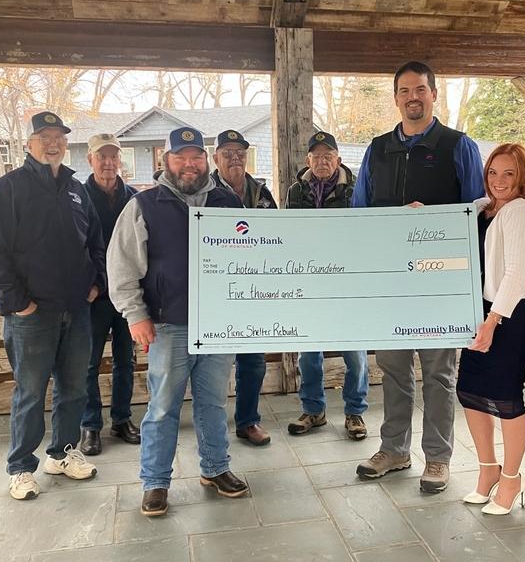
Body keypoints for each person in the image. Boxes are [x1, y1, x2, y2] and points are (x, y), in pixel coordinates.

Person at [351, 61, 485, 493]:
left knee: (439, 373)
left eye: (421, 89)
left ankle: (439, 458)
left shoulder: (458, 146)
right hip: (390, 284)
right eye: (405, 90)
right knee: (392, 370)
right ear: (395, 98)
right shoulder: (377, 149)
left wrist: (436, 222)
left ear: (433, 95)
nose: (414, 96)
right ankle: (393, 449)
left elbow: (477, 212)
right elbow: (359, 216)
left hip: (439, 283)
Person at [109, 126, 249, 517]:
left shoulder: (227, 202)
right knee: (163, 407)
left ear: (206, 161)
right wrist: (136, 316)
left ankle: (216, 468)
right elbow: (121, 267)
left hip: (219, 326)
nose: (190, 164)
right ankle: (155, 481)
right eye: (180, 157)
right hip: (168, 324)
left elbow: (247, 260)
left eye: (196, 157)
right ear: (165, 161)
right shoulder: (144, 205)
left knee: (213, 403)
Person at [0, 111, 103, 501]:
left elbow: (95, 241)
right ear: (29, 144)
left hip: (76, 311)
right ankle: (20, 467)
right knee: (30, 393)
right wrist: (20, 305)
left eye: (60, 137)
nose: (54, 143)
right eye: (45, 137)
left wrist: (96, 282)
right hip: (32, 316)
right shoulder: (8, 189)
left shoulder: (75, 189)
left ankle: (62, 453)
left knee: (74, 388)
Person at [459, 144, 525, 515]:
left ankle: (511, 479)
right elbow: (459, 214)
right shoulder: (486, 208)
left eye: (509, 173)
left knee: (506, 398)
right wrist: (423, 216)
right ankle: (487, 470)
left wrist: (493, 321)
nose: (499, 180)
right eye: (493, 172)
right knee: (470, 391)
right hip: (484, 310)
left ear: (522, 176)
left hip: (513, 311)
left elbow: (517, 272)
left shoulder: (520, 211)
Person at [285, 131, 368, 440]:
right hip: (310, 284)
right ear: (308, 160)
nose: (322, 161)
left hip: (349, 284)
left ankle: (355, 413)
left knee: (355, 355)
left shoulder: (358, 189)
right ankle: (313, 410)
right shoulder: (296, 191)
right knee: (309, 354)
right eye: (316, 156)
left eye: (328, 156)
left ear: (338, 159)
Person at [211, 129, 275, 447]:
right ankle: (211, 427)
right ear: (215, 158)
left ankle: (248, 421)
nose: (235, 159)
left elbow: (280, 235)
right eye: (227, 153)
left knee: (253, 362)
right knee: (214, 365)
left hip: (254, 292)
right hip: (216, 294)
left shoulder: (262, 193)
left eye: (240, 153)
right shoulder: (202, 192)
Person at [79, 133, 140, 455]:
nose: (108, 162)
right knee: (88, 364)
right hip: (94, 297)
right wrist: (91, 285)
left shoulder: (133, 198)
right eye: (101, 156)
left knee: (124, 361)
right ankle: (90, 426)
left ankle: (121, 419)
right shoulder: (78, 195)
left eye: (113, 156)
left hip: (127, 297)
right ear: (90, 159)